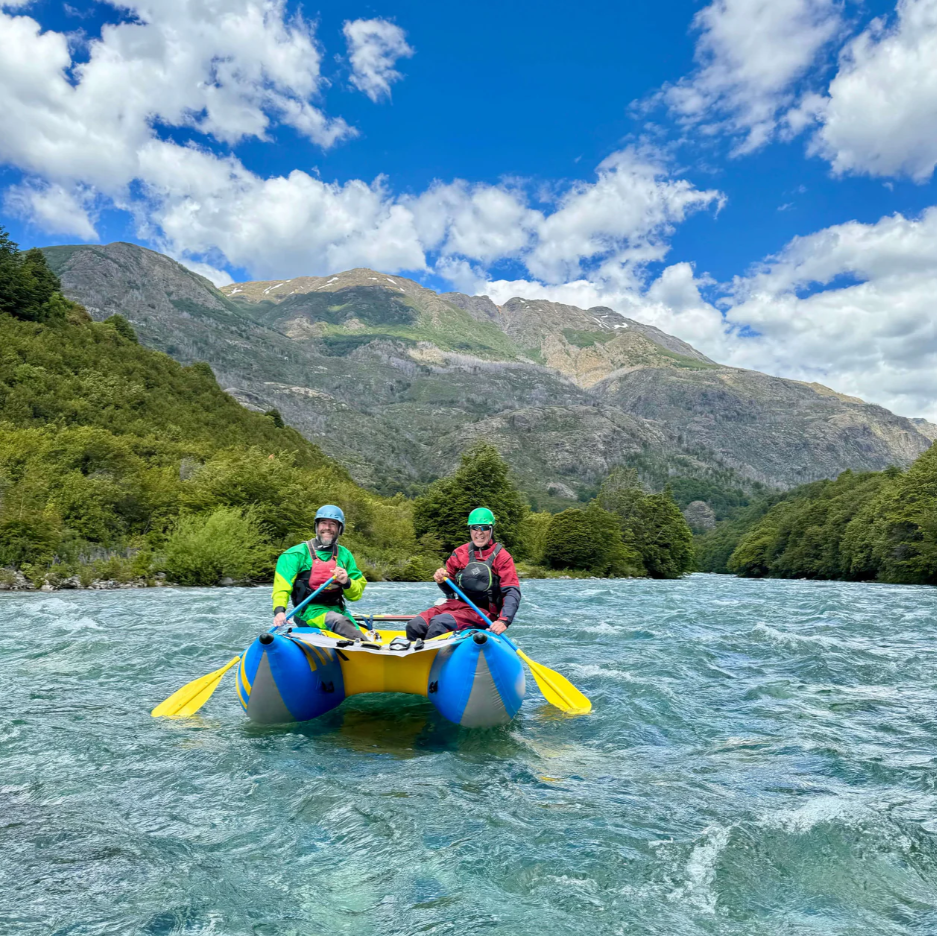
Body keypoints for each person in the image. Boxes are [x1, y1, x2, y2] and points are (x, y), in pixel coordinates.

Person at [406, 508, 521, 641]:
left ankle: (434, 659)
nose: (479, 533)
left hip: (485, 613)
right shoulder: (460, 553)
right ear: (470, 529)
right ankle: (417, 658)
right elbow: (450, 589)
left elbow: (512, 592)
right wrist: (442, 580)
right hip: (458, 606)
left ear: (491, 529)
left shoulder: (502, 557)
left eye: (484, 528)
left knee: (439, 624)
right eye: (474, 528)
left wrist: (504, 620)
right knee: (415, 625)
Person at [272, 505, 367, 639]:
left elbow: (355, 596)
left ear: (340, 529)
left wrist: (347, 582)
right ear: (317, 526)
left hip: (339, 611)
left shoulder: (345, 555)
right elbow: (281, 587)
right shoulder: (295, 554)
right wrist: (279, 611)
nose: (327, 528)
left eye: (333, 524)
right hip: (308, 613)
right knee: (339, 622)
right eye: (323, 523)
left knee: (351, 628)